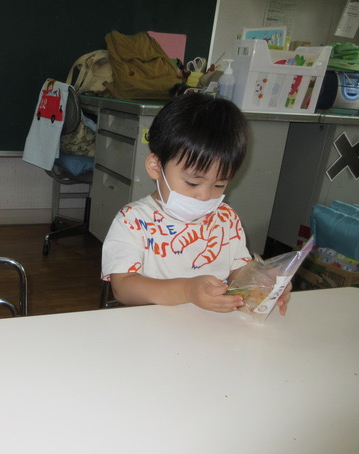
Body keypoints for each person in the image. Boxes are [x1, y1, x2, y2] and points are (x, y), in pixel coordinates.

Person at [101, 93, 291, 314]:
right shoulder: (133, 220)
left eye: (219, 185)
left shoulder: (225, 218)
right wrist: (187, 290)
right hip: (152, 325)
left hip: (210, 327)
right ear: (156, 166)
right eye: (192, 183)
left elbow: (238, 272)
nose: (204, 195)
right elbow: (123, 288)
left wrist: (261, 282)